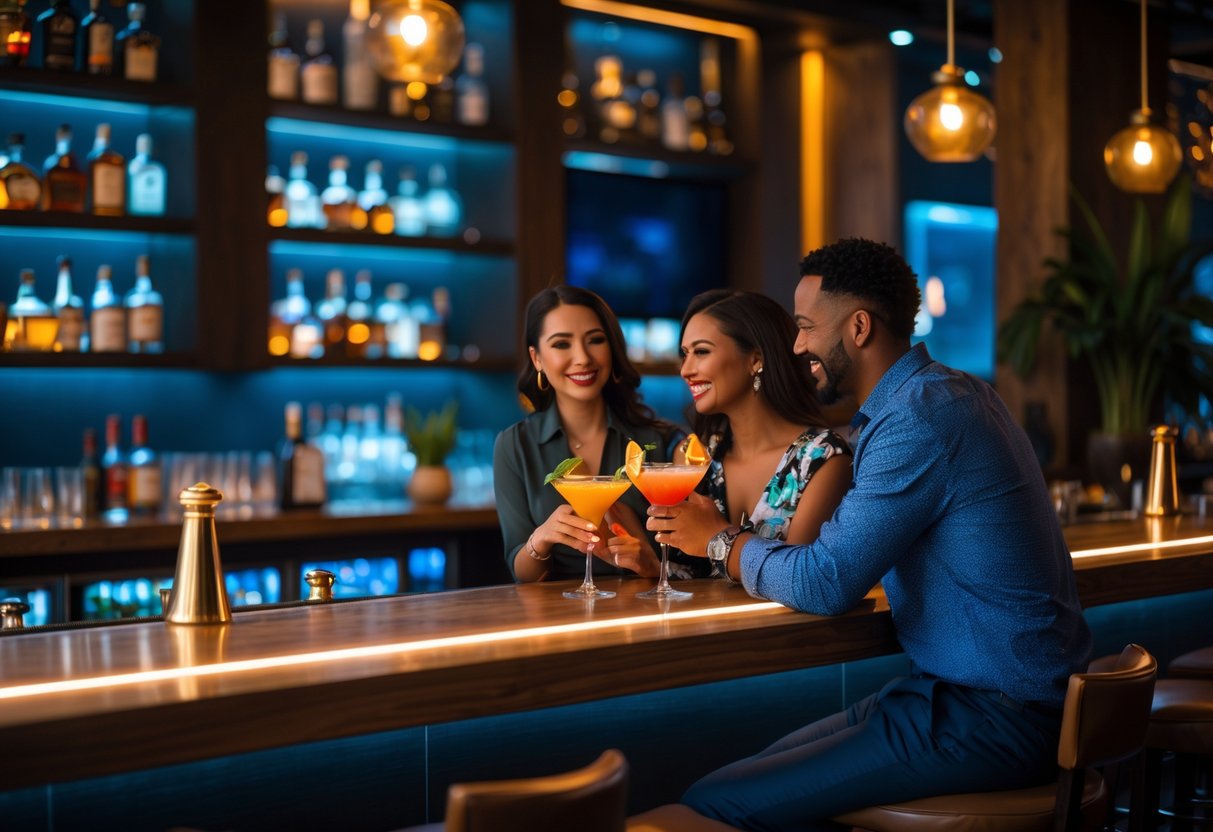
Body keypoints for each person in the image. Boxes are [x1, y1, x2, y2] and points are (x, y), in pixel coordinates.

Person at [652, 238, 1094, 831]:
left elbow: (827, 581)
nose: (796, 346)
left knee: (712, 804)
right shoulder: (949, 393)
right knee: (721, 790)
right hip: (960, 698)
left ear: (858, 328)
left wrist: (720, 540)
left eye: (806, 327)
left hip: (994, 718)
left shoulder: (917, 419)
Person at [493, 285, 677, 583]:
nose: (582, 358)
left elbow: (693, 562)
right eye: (561, 344)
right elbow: (522, 574)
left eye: (595, 340)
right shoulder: (515, 445)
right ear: (537, 358)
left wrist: (651, 564)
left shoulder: (658, 441)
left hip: (645, 607)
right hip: (557, 609)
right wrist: (541, 539)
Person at [658, 289, 851, 565]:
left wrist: (717, 537)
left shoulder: (822, 460)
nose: (685, 370)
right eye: (684, 354)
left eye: (701, 352)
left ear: (756, 359)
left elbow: (795, 576)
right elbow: (683, 575)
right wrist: (648, 564)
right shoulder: (694, 457)